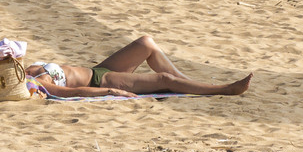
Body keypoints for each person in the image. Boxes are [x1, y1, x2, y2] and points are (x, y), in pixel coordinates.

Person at [23, 35, 251, 98]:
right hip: (102, 81)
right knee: (164, 81)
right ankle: (224, 89)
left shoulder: (27, 68)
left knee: (146, 43)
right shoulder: (34, 82)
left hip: (99, 69)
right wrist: (109, 91)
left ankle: (190, 83)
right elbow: (70, 92)